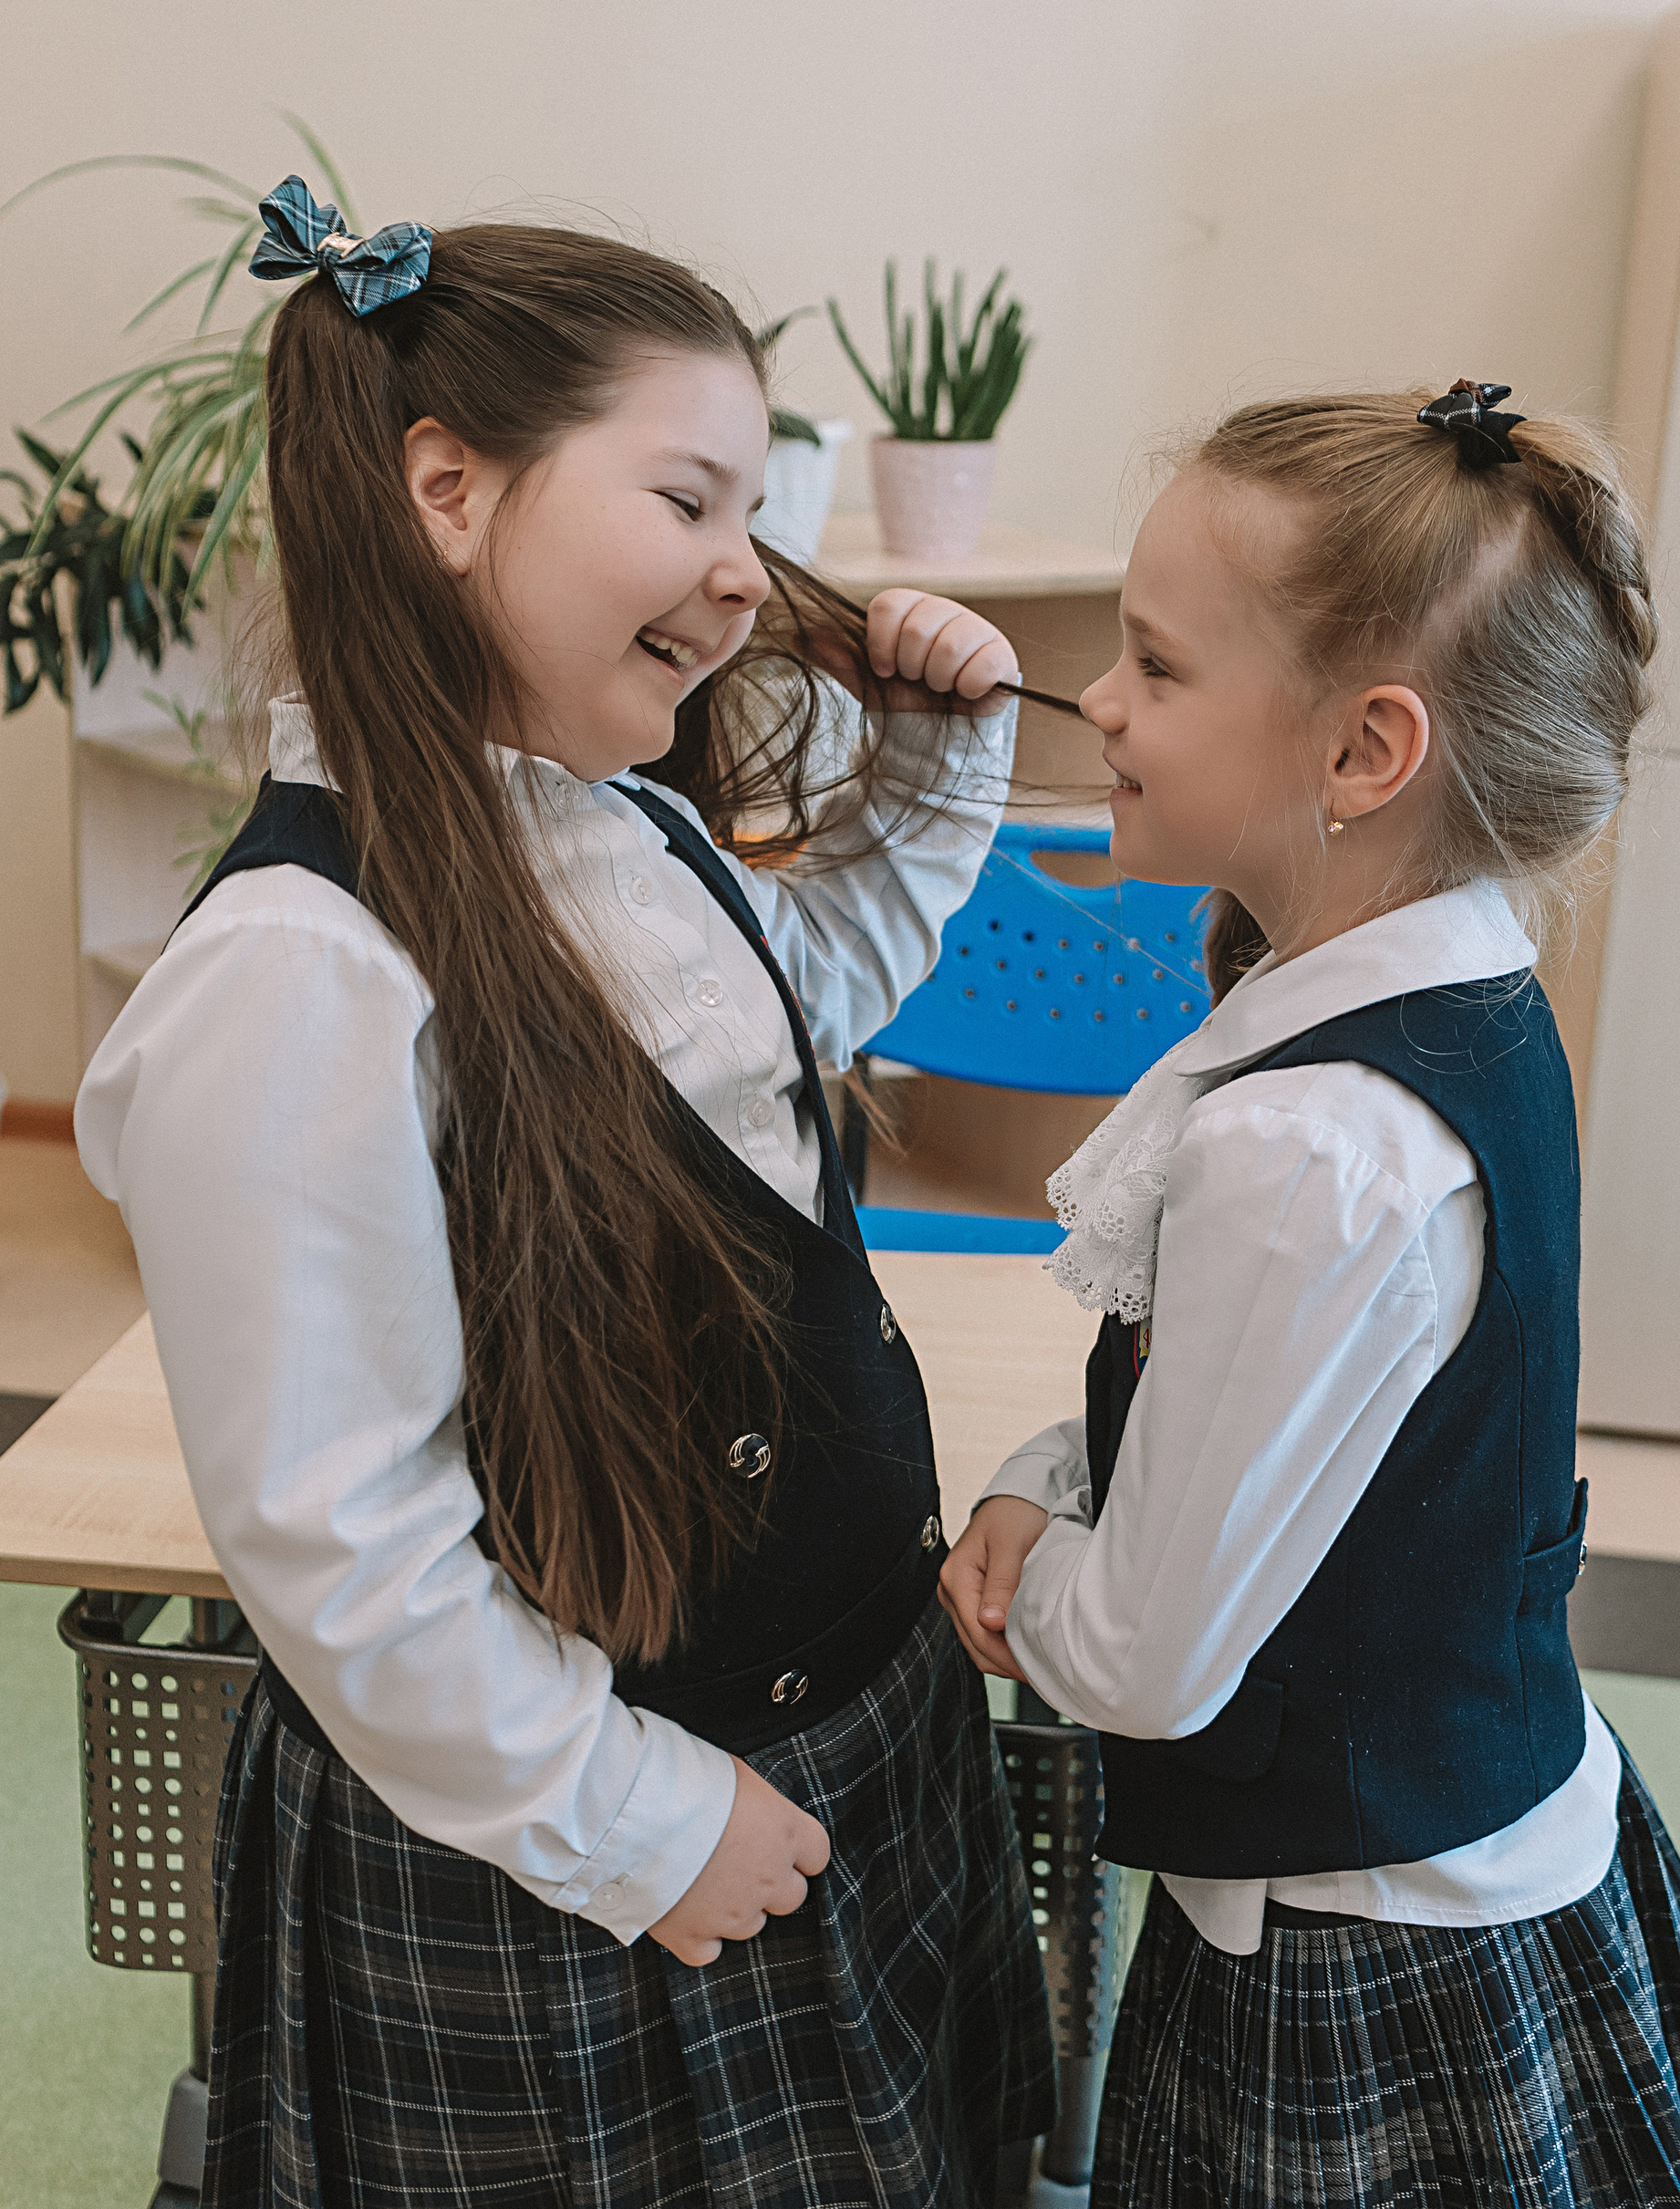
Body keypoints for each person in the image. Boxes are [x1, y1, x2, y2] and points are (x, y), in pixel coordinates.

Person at [78, 179, 1054, 2209]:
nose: (745, 573)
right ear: (447, 490)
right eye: (688, 498)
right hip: (584, 1850)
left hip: (844, 1744)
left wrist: (936, 768)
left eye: (752, 510)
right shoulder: (298, 976)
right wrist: (641, 1822)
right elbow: (342, 1547)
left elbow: (770, 1032)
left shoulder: (616, 824)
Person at [939, 382, 1680, 2206]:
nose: (1103, 702)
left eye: (1156, 664)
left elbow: (1143, 1662)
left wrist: (1027, 1556)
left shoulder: (1309, 1149)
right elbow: (1296, 1438)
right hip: (1496, 1827)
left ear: (1366, 752)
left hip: (1355, 1945)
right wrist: (1054, 1472)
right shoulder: (1462, 980)